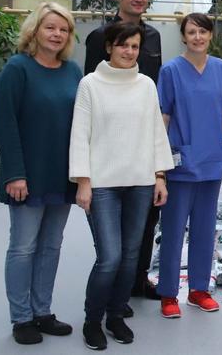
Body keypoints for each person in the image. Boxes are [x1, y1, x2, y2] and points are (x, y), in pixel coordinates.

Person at [70, 21, 174, 350]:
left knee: (131, 257)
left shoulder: (145, 85)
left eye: (134, 47)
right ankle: (92, 320)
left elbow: (156, 133)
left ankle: (115, 316)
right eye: (123, 45)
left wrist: (159, 176)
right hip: (102, 185)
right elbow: (79, 135)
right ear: (109, 46)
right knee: (110, 257)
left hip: (141, 182)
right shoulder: (90, 84)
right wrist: (83, 182)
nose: (129, 52)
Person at [0, 3, 81, 345]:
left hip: (62, 174)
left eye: (63, 29)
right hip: (27, 175)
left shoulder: (72, 72)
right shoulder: (18, 69)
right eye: (50, 27)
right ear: (35, 31)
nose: (57, 34)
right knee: (23, 247)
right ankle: (21, 318)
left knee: (51, 246)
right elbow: (5, 124)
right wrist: (14, 173)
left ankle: (42, 311)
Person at [84, 0, 163, 302]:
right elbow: (88, 96)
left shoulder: (155, 36)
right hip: (110, 151)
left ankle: (138, 280)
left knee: (144, 225)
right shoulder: (99, 36)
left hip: (142, 149)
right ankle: (113, 288)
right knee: (112, 236)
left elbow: (156, 93)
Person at [156, 13, 222, 319]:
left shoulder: (221, 69)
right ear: (183, 37)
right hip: (180, 162)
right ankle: (168, 293)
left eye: (202, 32)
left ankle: (198, 290)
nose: (197, 37)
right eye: (191, 32)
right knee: (174, 230)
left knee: (205, 230)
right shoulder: (171, 71)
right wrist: (159, 166)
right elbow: (163, 117)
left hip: (212, 160)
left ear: (210, 36)